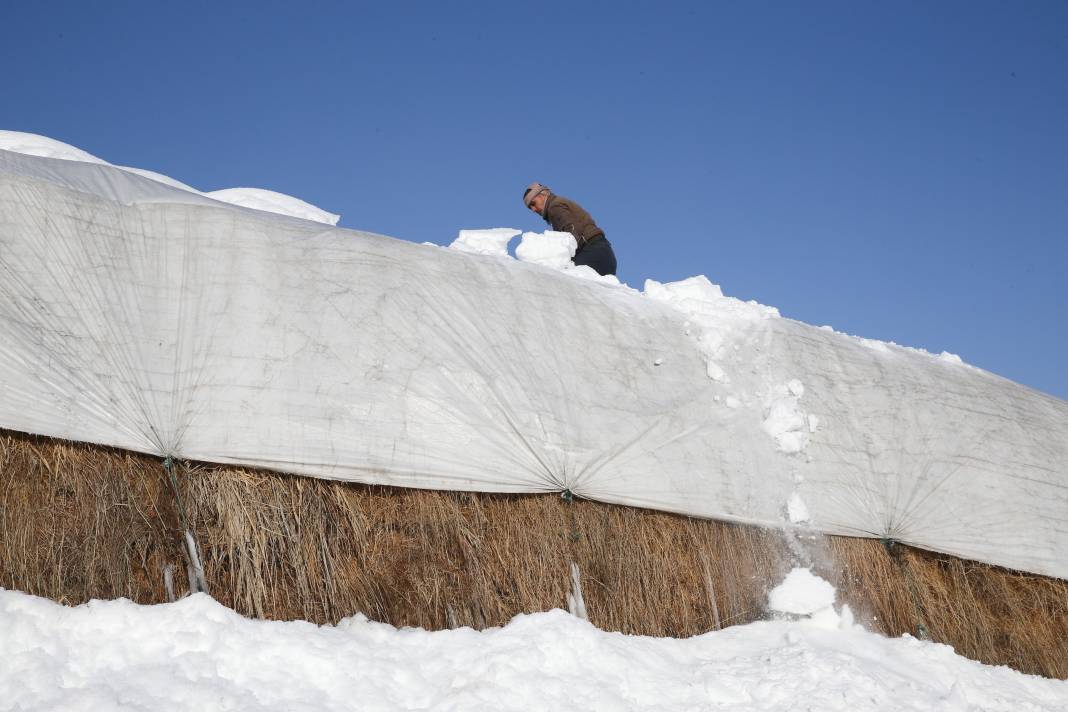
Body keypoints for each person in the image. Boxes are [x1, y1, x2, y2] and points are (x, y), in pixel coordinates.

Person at [523, 182, 617, 276]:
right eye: (530, 208)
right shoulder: (557, 204)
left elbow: (571, 232)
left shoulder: (554, 206)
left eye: (533, 203)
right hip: (602, 252)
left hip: (591, 252)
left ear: (542, 195)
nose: (533, 210)